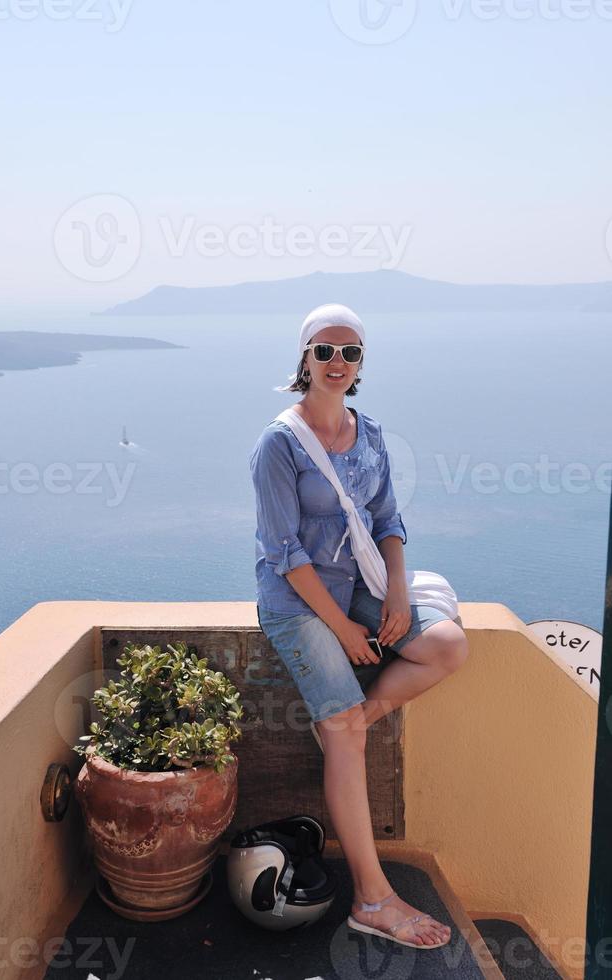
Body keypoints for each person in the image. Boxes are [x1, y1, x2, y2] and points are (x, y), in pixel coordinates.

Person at [249, 302, 468, 949]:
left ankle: (349, 721)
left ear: (361, 363)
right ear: (304, 359)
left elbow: (388, 521)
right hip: (298, 603)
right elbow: (284, 554)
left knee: (447, 645)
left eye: (351, 352)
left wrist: (397, 591)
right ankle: (373, 899)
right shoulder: (278, 444)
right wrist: (347, 631)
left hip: (361, 588)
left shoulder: (369, 433)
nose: (338, 362)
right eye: (325, 350)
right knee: (345, 735)